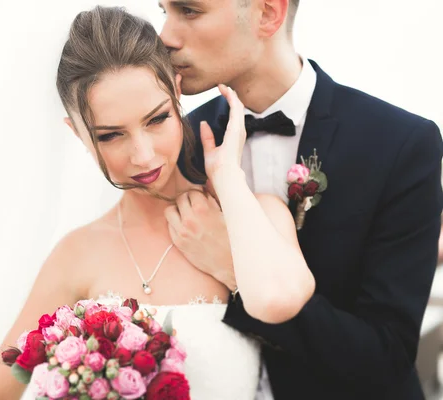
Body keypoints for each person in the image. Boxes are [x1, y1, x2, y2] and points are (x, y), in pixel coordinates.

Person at [0, 6, 315, 399]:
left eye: (157, 120)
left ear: (177, 91)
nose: (144, 155)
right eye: (110, 136)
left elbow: (277, 301)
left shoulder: (261, 215)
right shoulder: (76, 253)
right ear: (79, 135)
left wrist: (227, 176)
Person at [158, 0, 443, 399]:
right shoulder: (174, 148)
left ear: (267, 13)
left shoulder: (400, 145)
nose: (165, 36)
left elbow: (386, 357)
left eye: (189, 10)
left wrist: (238, 271)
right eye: (163, 11)